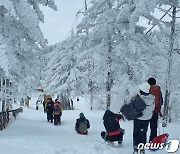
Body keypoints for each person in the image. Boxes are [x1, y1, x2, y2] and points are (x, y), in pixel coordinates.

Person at [132, 82, 155, 154]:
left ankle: (136, 148)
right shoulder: (152, 98)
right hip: (147, 119)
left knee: (136, 133)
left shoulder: (138, 98)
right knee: (143, 133)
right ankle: (142, 149)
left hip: (138, 118)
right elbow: (152, 109)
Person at [148, 77, 163, 142]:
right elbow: (161, 101)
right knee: (153, 127)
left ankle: (141, 141)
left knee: (143, 127)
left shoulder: (147, 89)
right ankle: (153, 140)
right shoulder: (158, 90)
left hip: (147, 111)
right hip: (155, 111)